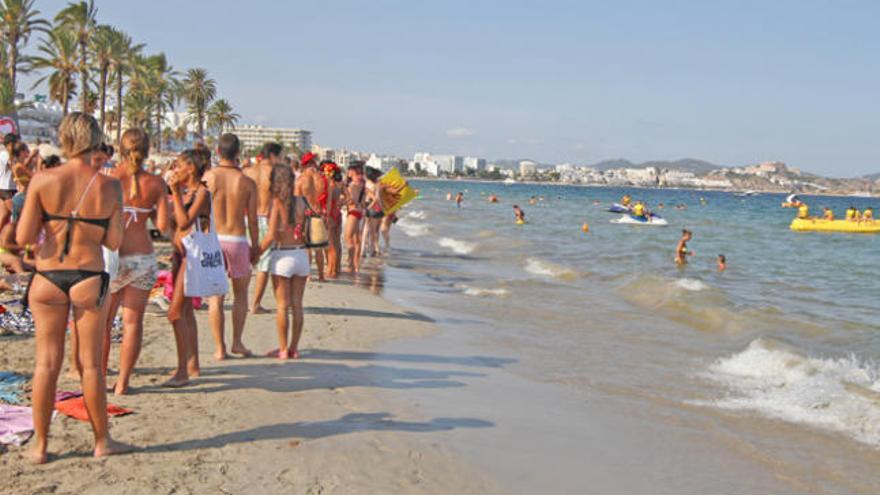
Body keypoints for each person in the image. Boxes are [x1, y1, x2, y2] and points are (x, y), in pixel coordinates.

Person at [16, 112, 132, 463]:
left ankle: (40, 447)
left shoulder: (42, 179)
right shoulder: (110, 185)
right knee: (92, 365)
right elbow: (114, 242)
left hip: (48, 278)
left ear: (64, 138)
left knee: (46, 364)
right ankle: (102, 441)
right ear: (95, 139)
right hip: (88, 276)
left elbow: (22, 238)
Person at [103, 129, 169, 395]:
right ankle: (123, 382)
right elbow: (163, 226)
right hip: (142, 257)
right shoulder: (156, 184)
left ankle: (100, 374)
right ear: (147, 150)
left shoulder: (109, 178)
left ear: (121, 148)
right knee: (133, 323)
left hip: (113, 257)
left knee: (105, 323)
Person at [204, 133, 258, 360]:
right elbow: (253, 219)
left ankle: (219, 348)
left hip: (214, 239)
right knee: (241, 294)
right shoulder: (246, 182)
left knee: (216, 297)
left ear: (218, 152)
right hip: (237, 239)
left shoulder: (209, 177)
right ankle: (237, 342)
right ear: (238, 153)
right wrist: (255, 246)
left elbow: (201, 212)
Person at [165, 150, 212, 387]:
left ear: (191, 168)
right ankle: (192, 364)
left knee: (174, 313)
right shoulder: (187, 193)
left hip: (191, 257)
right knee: (185, 312)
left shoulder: (202, 193)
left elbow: (185, 222)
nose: (176, 169)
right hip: (181, 255)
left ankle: (182, 369)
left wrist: (174, 192)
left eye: (180, 166)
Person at [257, 165, 309, 359]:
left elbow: (271, 235)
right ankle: (294, 348)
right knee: (297, 305)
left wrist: (255, 253)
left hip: (282, 256)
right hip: (301, 255)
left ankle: (283, 349)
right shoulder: (302, 201)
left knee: (281, 306)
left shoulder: (276, 203)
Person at [244, 142, 281, 315]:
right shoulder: (274, 173)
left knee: (244, 262)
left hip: (246, 218)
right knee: (263, 264)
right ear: (273, 155)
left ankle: (241, 300)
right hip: (266, 218)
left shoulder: (247, 171)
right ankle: (255, 304)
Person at [294, 152, 327, 280]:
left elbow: (297, 200)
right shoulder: (322, 179)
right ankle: (321, 275)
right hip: (319, 214)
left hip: (306, 214)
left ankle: (308, 275)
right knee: (318, 248)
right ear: (313, 163)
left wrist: (297, 220)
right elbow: (326, 198)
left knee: (307, 247)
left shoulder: (301, 180)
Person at [321, 161, 343, 278]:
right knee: (336, 243)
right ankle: (336, 268)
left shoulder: (330, 186)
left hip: (331, 215)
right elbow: (349, 198)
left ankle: (331, 270)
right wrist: (339, 204)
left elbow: (328, 203)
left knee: (330, 245)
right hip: (338, 214)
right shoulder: (340, 185)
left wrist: (327, 215)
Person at [344, 161, 366, 273]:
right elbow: (362, 202)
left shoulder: (353, 185)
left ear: (352, 171)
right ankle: (356, 265)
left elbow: (351, 200)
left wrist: (342, 200)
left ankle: (350, 263)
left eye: (349, 170)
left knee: (348, 238)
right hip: (359, 212)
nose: (347, 172)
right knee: (357, 240)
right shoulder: (362, 183)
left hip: (352, 212)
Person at [361, 166, 384, 257]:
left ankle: (363, 250)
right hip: (375, 207)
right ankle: (372, 249)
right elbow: (377, 198)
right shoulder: (377, 184)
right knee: (373, 231)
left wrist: (366, 207)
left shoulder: (365, 183)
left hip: (367, 205)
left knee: (365, 229)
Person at [0, 133, 21, 199]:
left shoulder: (15, 156)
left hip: (13, 187)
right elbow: (12, 167)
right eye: (15, 143)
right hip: (4, 188)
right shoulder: (4, 154)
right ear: (10, 144)